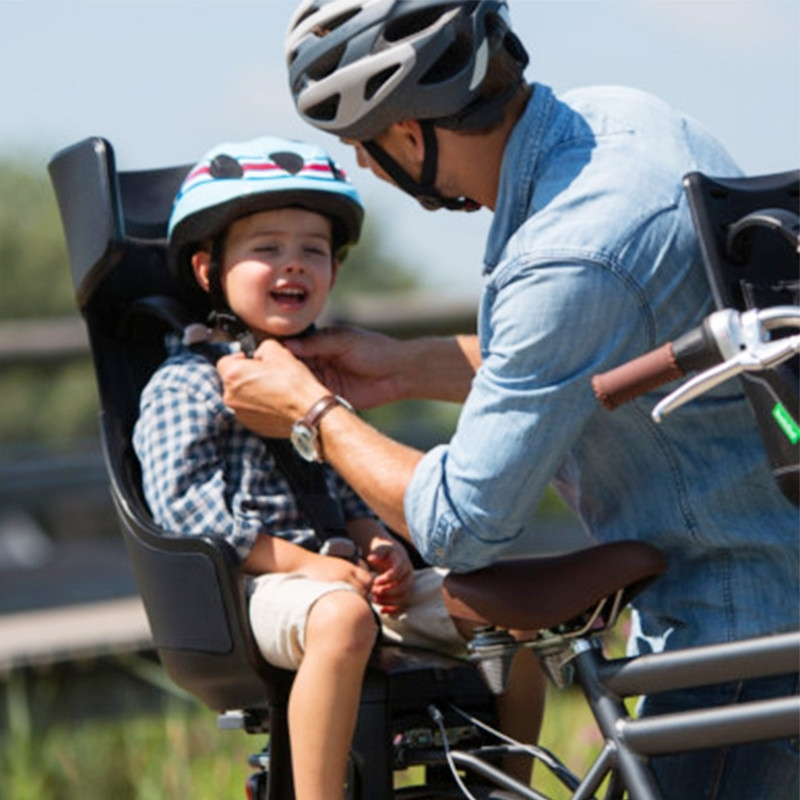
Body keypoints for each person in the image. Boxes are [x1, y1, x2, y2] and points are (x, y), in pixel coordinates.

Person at [213, 3, 800, 800]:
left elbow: (464, 523)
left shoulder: (566, 251)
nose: (364, 166)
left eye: (362, 144)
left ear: (411, 135)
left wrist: (313, 413)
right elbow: (597, 353)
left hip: (734, 635)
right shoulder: (626, 122)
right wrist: (403, 368)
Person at [132, 135, 543, 800]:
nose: (292, 265)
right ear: (209, 268)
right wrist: (312, 567)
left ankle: (514, 789)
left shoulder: (314, 377)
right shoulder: (185, 385)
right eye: (266, 248)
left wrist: (380, 544)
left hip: (339, 577)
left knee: (517, 616)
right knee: (341, 618)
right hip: (249, 590)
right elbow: (190, 519)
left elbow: (336, 488)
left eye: (312, 251)